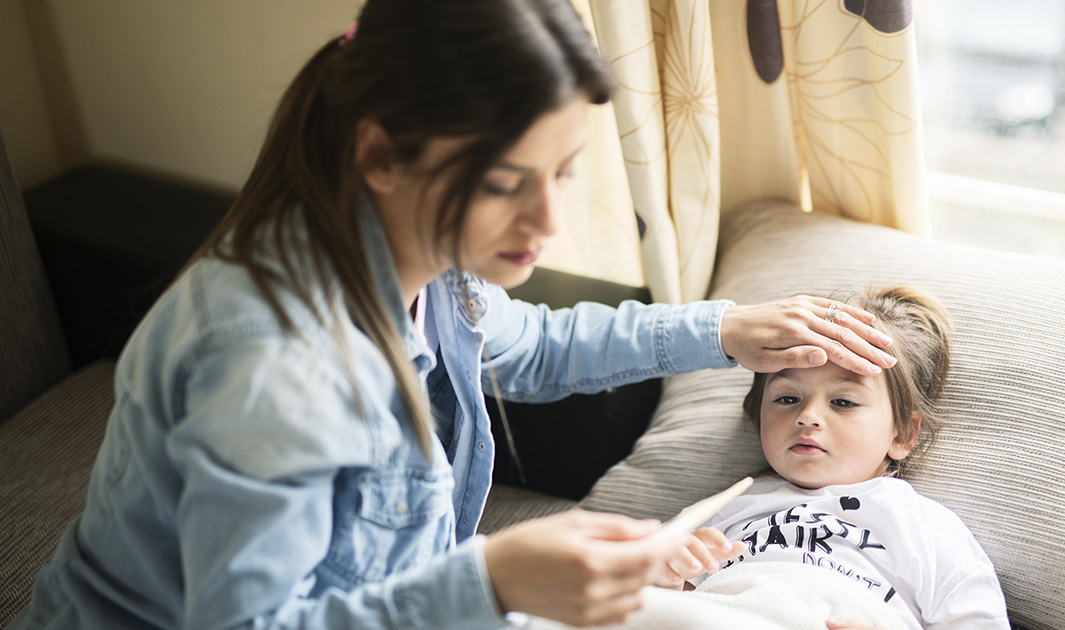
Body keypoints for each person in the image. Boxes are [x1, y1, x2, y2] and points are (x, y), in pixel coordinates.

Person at [6, 2, 898, 629]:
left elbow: (537, 347)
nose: (545, 225)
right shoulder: (271, 363)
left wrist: (720, 330)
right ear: (383, 155)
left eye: (562, 175)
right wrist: (490, 578)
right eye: (508, 184)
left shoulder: (431, 270)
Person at [657, 287, 1010, 629]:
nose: (807, 416)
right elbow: (649, 598)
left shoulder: (929, 530)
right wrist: (668, 580)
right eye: (786, 398)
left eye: (843, 402)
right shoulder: (725, 509)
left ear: (902, 434)